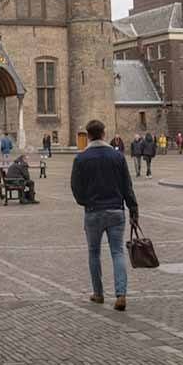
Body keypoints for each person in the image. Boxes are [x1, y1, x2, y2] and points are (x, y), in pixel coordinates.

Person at [71, 119, 138, 311]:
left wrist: (85, 201)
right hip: (116, 210)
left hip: (93, 212)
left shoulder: (81, 158)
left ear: (89, 135)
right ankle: (121, 294)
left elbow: (76, 188)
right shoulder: (117, 157)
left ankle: (98, 293)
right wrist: (133, 209)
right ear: (103, 133)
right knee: (117, 252)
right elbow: (127, 186)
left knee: (94, 253)